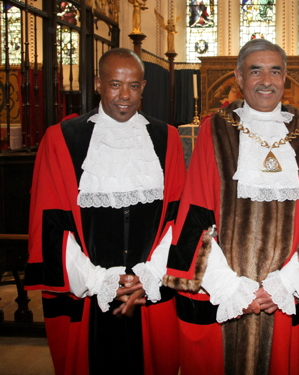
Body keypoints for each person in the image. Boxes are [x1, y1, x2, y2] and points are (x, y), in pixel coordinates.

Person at [164, 38, 299, 375]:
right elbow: (196, 212)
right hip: (226, 288)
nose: (266, 81)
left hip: (286, 290)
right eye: (255, 71)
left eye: (275, 71)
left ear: (285, 77)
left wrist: (281, 287)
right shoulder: (214, 130)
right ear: (239, 77)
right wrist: (233, 289)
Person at [25, 48, 185, 375]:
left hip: (149, 287)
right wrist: (100, 280)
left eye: (134, 86)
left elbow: (177, 219)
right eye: (115, 84)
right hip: (88, 290)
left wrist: (148, 275)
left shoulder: (167, 138)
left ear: (143, 87)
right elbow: (51, 224)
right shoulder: (61, 139)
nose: (124, 96)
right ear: (98, 83)